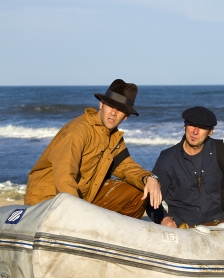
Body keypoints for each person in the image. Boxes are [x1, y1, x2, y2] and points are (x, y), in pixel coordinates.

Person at [24, 79, 162, 218]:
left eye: (120, 110)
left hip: (85, 198)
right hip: (48, 200)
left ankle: (111, 237)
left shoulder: (114, 138)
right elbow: (64, 176)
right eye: (110, 106)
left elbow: (127, 167)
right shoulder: (78, 131)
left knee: (139, 192)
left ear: (126, 116)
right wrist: (78, 213)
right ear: (101, 104)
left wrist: (149, 178)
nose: (114, 113)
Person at [150, 106, 224, 227]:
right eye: (191, 125)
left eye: (201, 127)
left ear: (210, 131)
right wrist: (164, 218)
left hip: (219, 224)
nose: (195, 132)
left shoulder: (222, 151)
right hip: (182, 226)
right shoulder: (168, 158)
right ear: (184, 126)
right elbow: (151, 200)